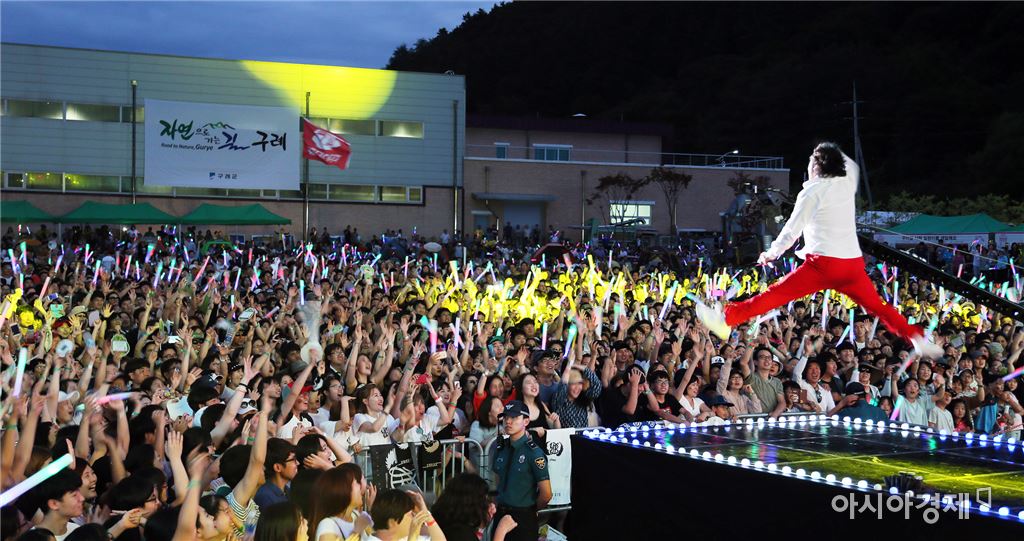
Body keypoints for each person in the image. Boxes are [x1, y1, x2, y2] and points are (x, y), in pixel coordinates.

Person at [697, 142, 943, 359]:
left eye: (811, 161)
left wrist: (771, 253)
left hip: (823, 264)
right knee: (879, 307)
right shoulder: (846, 183)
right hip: (852, 265)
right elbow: (852, 166)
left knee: (776, 294)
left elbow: (792, 230)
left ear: (816, 166)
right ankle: (916, 338)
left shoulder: (812, 191)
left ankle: (727, 318)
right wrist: (830, 152)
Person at [490, 401, 551, 541]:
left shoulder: (534, 453)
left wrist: (532, 509)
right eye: (506, 417)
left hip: (523, 517)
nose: (508, 421)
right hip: (500, 513)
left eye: (514, 417)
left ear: (526, 421)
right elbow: (498, 480)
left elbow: (546, 494)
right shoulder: (501, 448)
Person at [364, 489, 445, 541]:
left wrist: (425, 513)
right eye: (411, 514)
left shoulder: (403, 538)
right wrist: (413, 537)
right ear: (392, 522)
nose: (414, 518)